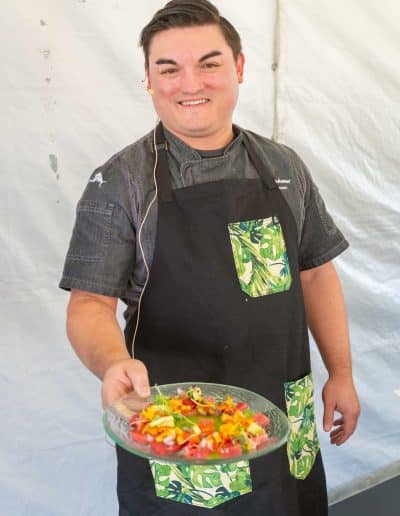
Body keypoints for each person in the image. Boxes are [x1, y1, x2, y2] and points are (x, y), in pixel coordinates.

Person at [60, 1, 360, 514]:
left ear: (239, 68)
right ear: (148, 81)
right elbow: (90, 302)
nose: (188, 83)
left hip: (282, 416)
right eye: (168, 69)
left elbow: (314, 273)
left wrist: (342, 372)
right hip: (181, 433)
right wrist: (113, 364)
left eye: (209, 63)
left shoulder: (284, 167)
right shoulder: (121, 183)